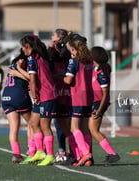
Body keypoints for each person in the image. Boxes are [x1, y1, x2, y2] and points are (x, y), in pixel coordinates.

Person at [17, 35, 57, 166]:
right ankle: (40, 151)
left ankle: (50, 155)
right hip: (42, 95)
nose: (22, 50)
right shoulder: (41, 57)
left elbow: (32, 79)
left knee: (45, 125)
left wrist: (34, 95)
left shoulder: (32, 59)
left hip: (46, 95)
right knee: (34, 123)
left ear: (27, 46)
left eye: (23, 47)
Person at [63, 33, 94, 166]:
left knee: (74, 127)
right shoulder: (89, 60)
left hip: (77, 98)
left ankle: (85, 153)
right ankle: (88, 158)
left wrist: (59, 77)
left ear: (73, 48)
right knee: (85, 128)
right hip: (89, 97)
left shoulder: (74, 61)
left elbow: (68, 80)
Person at [1, 49, 34, 164]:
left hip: (6, 97)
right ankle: (31, 150)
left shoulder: (12, 65)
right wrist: (20, 72)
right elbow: (31, 79)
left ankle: (16, 154)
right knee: (32, 123)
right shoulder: (25, 65)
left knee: (14, 127)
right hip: (18, 96)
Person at [89, 46, 120, 163]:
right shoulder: (95, 70)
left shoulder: (101, 73)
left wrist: (99, 109)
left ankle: (112, 153)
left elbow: (105, 94)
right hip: (95, 103)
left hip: (99, 103)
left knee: (94, 130)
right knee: (92, 130)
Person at [47, 28, 72, 163]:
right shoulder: (54, 53)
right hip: (60, 91)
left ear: (59, 39)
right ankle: (66, 150)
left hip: (62, 92)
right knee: (61, 122)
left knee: (62, 122)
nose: (51, 38)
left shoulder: (65, 53)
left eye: (54, 36)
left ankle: (64, 150)